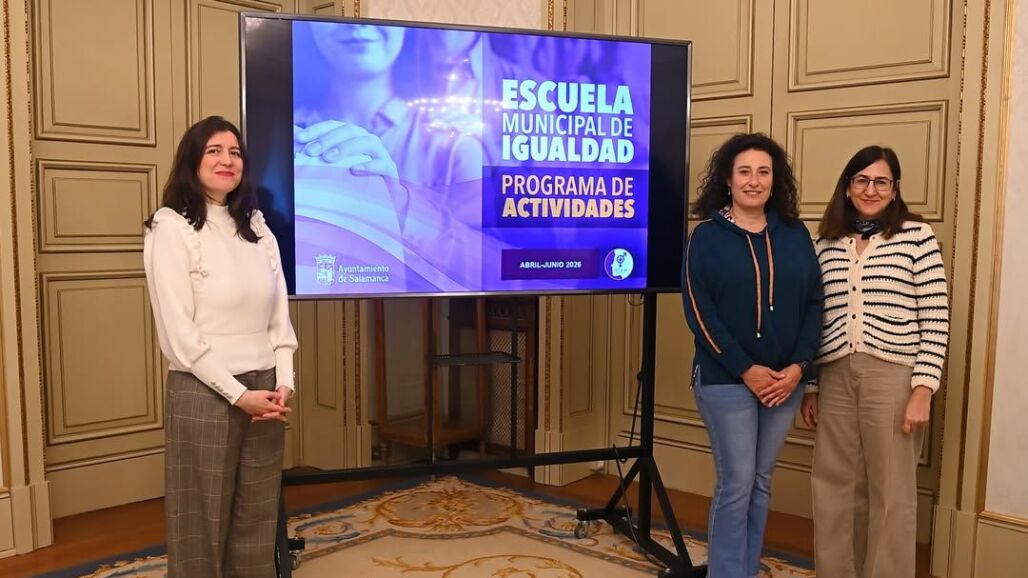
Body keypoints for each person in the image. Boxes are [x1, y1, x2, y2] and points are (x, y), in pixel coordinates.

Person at [143, 116, 297, 577]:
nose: (227, 160)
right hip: (204, 390)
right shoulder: (170, 227)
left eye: (234, 152)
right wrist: (237, 394)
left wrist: (284, 381)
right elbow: (178, 333)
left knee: (257, 515)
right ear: (192, 161)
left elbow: (279, 318)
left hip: (265, 390)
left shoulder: (257, 228)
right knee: (200, 520)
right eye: (214, 151)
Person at [802, 146, 949, 578]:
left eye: (881, 181)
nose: (871, 189)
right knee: (833, 485)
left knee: (891, 489)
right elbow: (817, 317)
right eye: (862, 180)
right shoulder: (826, 242)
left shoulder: (917, 236)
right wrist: (812, 384)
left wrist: (923, 389)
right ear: (848, 187)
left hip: (894, 376)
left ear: (895, 189)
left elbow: (936, 315)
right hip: (835, 375)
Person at [681, 132, 823, 578]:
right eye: (744, 171)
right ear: (728, 179)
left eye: (763, 172)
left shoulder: (795, 234)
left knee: (760, 482)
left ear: (774, 179)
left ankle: (745, 568)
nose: (754, 181)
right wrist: (746, 369)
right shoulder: (706, 237)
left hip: (785, 382)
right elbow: (699, 312)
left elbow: (815, 303)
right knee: (737, 483)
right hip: (726, 381)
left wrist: (799, 368)